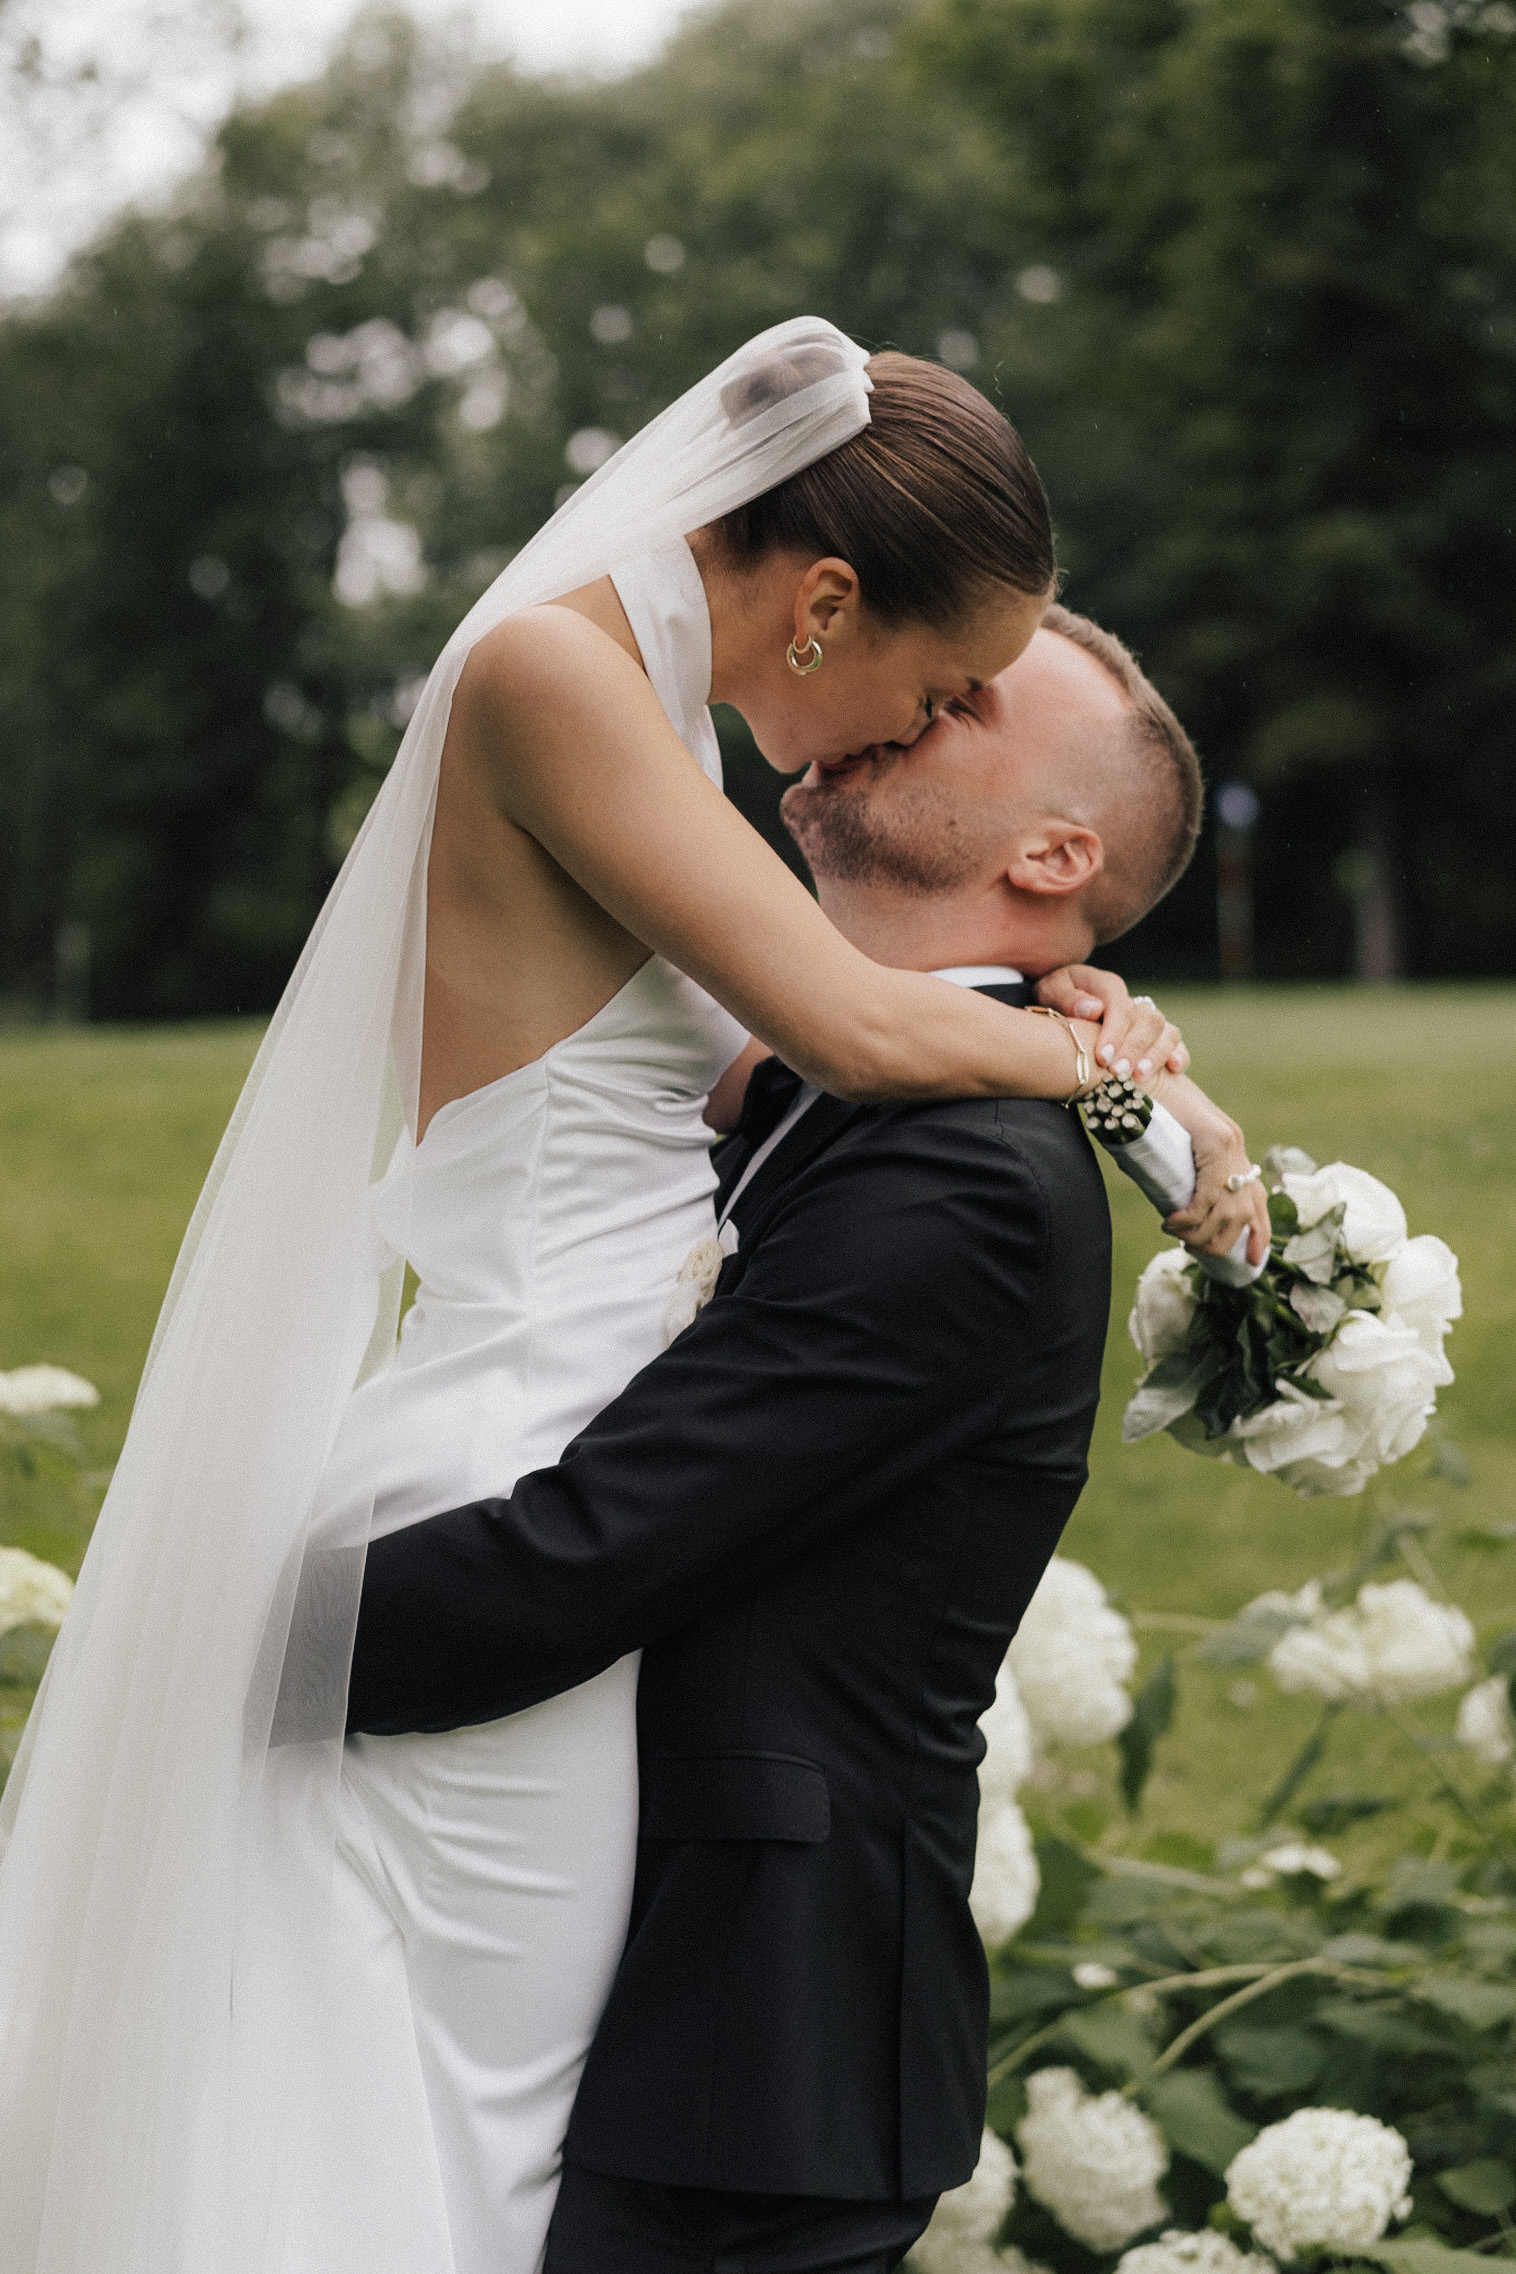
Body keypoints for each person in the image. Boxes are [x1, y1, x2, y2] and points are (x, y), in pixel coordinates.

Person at [0, 321, 1257, 2274]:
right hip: (512, 1480)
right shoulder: (551, 681)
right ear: (827, 598)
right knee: (418, 2141)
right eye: (934, 685)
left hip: (537, 1478)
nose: (891, 735)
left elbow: (767, 1067)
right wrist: (1130, 1091)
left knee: (406, 2107)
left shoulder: (643, 732)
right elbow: (838, 1021)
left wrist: (1049, 1013)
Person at [344, 602, 1255, 2274]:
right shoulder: (856, 1086)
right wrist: (1122, 1077)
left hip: (755, 2043)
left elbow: (594, 1550)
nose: (907, 694)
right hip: (644, 1969)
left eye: (968, 702)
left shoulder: (969, 1187)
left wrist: (218, 1660)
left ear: (1059, 849)